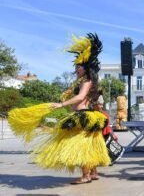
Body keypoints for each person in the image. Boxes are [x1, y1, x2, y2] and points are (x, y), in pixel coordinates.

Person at [8, 33, 111, 184]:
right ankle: (93, 173)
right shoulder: (88, 81)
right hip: (86, 115)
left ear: (85, 67)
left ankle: (85, 176)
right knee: (90, 146)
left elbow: (80, 97)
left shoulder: (86, 82)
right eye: (76, 66)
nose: (76, 69)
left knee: (80, 147)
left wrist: (62, 104)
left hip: (81, 115)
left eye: (79, 66)